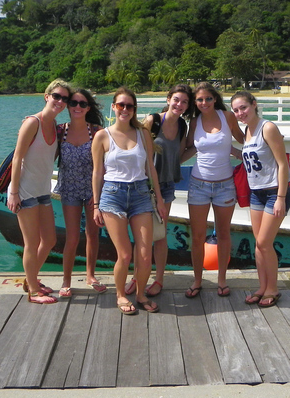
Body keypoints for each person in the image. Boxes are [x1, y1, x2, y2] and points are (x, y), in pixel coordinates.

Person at [92, 87, 166, 315]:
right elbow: (97, 173)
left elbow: (150, 168)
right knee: (124, 254)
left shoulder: (143, 133)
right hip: (112, 195)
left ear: (135, 109)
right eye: (120, 105)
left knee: (144, 253)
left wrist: (160, 200)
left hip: (141, 194)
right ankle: (121, 294)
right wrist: (95, 205)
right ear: (114, 106)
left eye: (129, 106)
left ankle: (141, 293)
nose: (125, 109)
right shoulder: (102, 136)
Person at [124, 84, 194, 298]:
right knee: (142, 235)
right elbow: (139, 151)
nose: (179, 105)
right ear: (168, 99)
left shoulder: (183, 125)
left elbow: (181, 153)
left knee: (160, 234)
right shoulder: (153, 121)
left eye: (184, 102)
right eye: (176, 100)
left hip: (166, 185)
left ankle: (159, 279)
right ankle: (137, 277)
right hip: (145, 185)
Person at [7, 79, 72, 304]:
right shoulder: (32, 123)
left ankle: (30, 279)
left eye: (65, 98)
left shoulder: (55, 127)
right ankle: (33, 291)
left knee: (50, 239)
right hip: (25, 191)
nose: (60, 101)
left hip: (43, 191)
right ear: (47, 96)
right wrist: (14, 193)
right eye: (56, 96)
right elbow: (17, 158)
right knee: (31, 243)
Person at [182, 82, 244, 298]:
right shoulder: (194, 121)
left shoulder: (227, 117)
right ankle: (197, 280)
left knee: (224, 234)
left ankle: (222, 280)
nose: (204, 103)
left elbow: (243, 137)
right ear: (195, 103)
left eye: (208, 98)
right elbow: (189, 147)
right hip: (198, 185)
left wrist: (260, 145)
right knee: (197, 236)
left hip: (225, 185)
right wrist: (167, 164)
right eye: (199, 100)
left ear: (215, 99)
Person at [231, 90, 290, 308]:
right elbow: (253, 158)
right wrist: (230, 150)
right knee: (259, 244)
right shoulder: (247, 131)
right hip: (256, 192)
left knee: (265, 242)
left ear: (254, 104)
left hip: (274, 191)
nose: (240, 113)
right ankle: (262, 286)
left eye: (243, 108)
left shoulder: (268, 127)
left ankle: (273, 289)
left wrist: (281, 198)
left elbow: (282, 164)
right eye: (236, 110)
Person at [54, 88, 107, 298]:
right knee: (72, 236)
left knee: (93, 234)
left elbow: (105, 163)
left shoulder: (97, 131)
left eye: (82, 104)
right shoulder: (60, 131)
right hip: (69, 189)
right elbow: (42, 147)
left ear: (88, 107)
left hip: (93, 189)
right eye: (74, 103)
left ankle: (90, 276)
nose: (77, 107)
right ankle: (66, 280)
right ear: (67, 106)